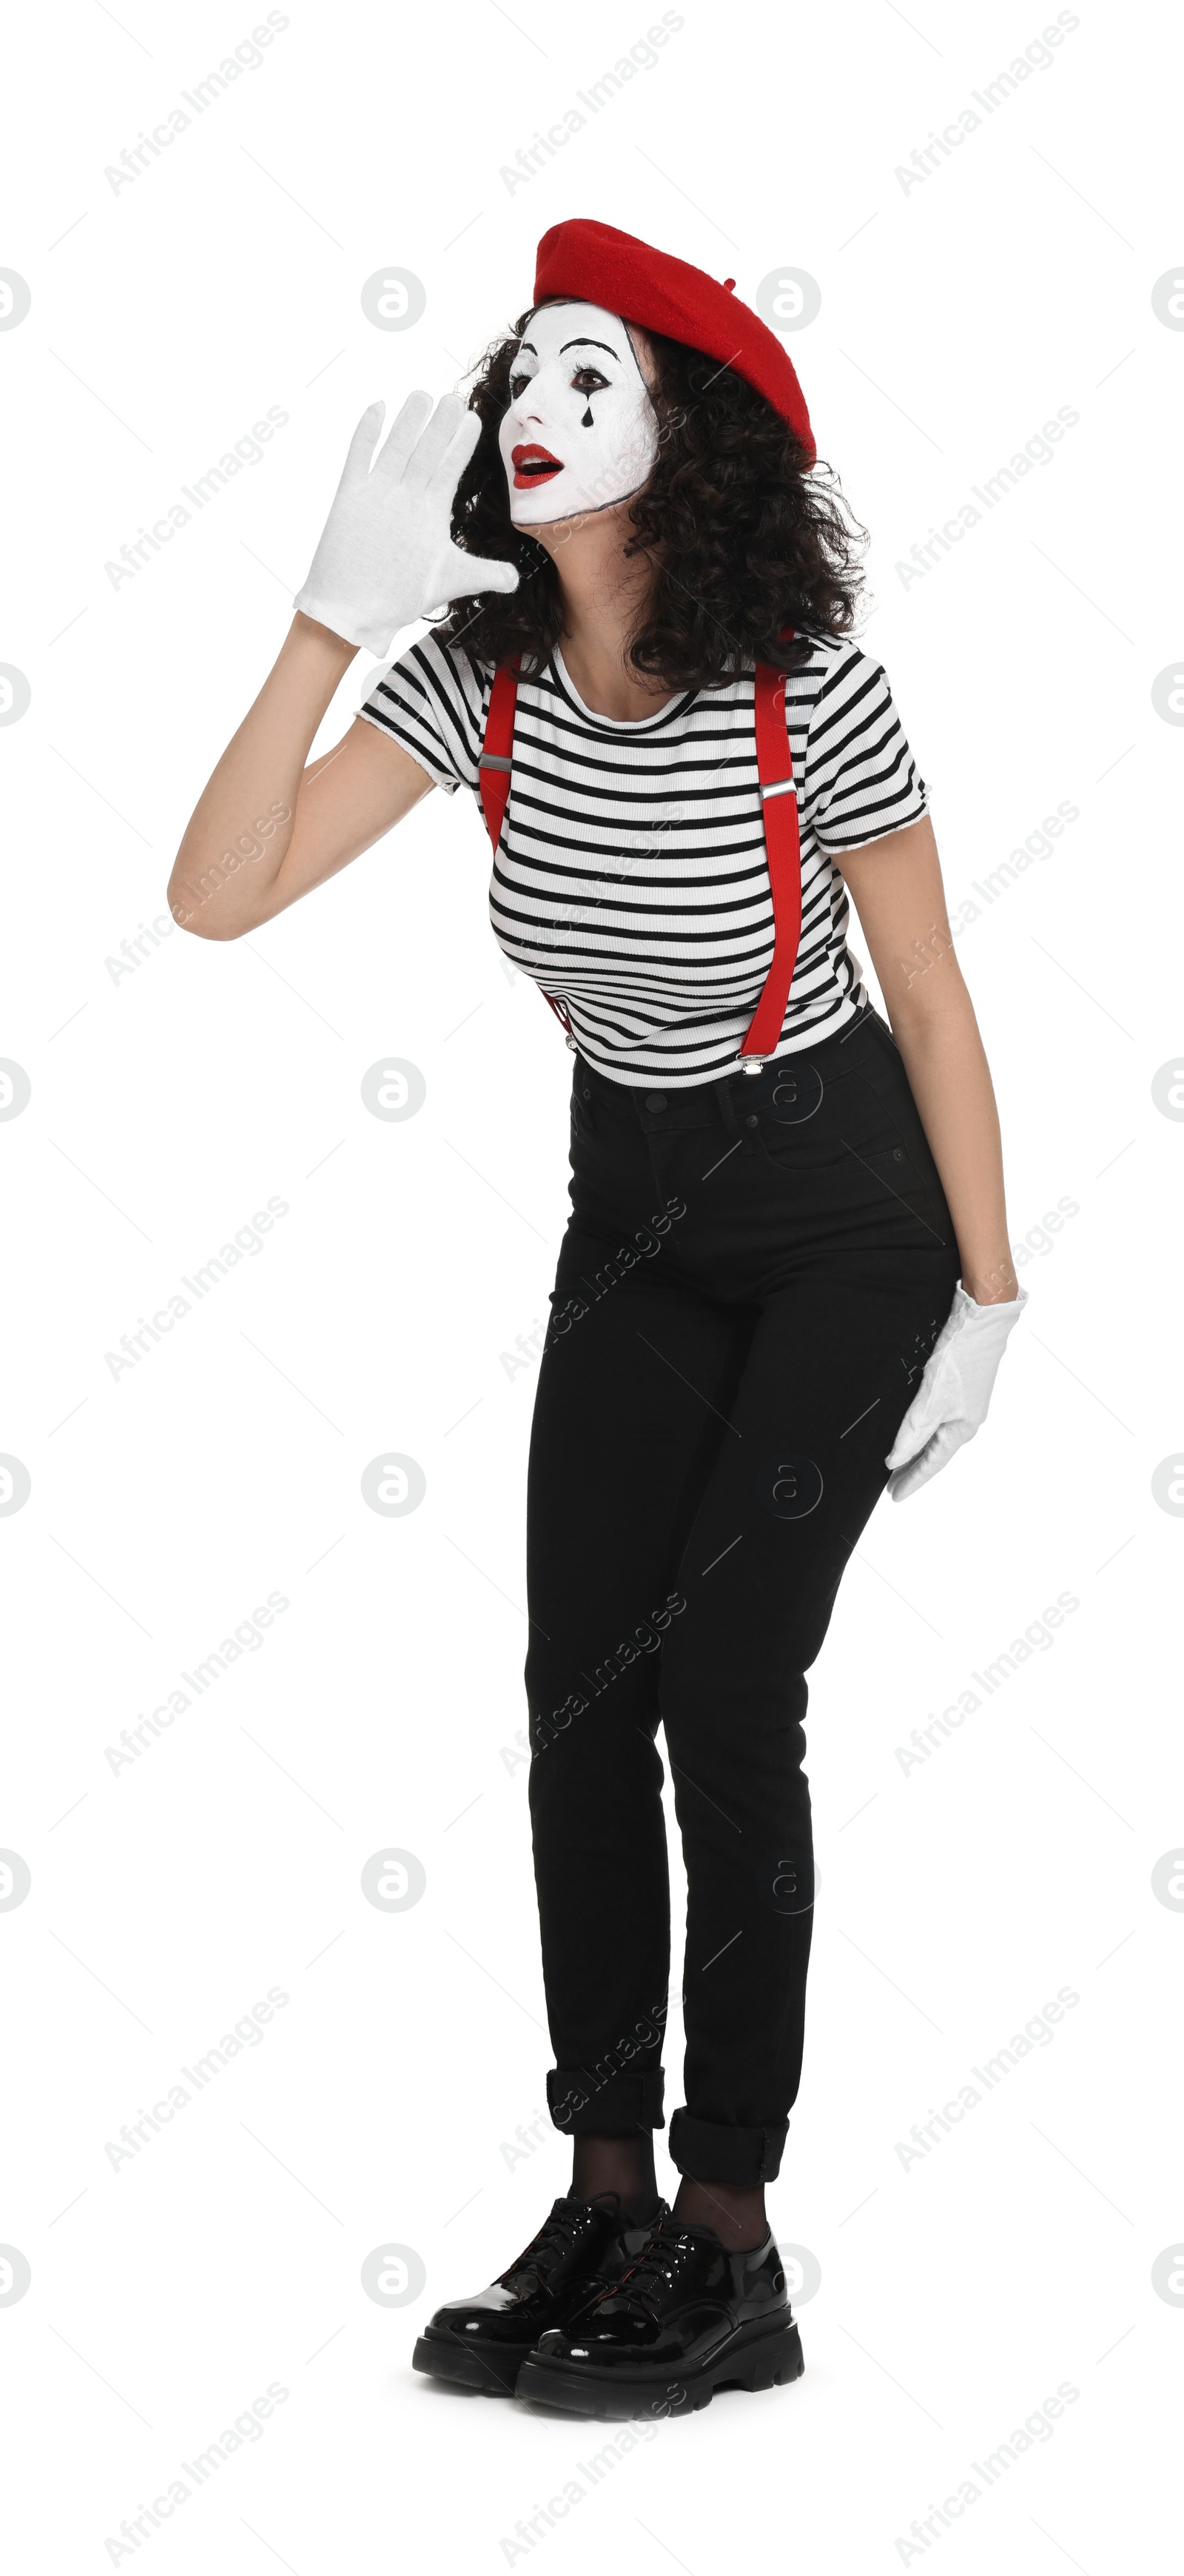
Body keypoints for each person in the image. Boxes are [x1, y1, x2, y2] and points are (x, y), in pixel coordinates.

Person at [168, 218, 1026, 2419]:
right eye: (517, 377)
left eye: (589, 376)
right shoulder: (479, 678)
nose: (533, 407)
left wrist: (990, 1300)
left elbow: (928, 991)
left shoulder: (804, 675)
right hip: (633, 1205)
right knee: (579, 1692)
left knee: (730, 1687)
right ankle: (609, 2188)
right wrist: (328, 622)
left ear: (684, 439)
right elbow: (220, 892)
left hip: (843, 1205)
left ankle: (737, 2247)